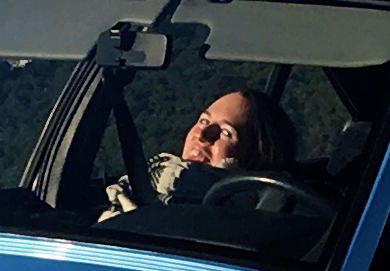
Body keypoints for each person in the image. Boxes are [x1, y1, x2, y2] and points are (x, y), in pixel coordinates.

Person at [104, 88, 295, 218]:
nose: (203, 134)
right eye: (204, 121)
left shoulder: (253, 222)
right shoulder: (141, 186)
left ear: (255, 160)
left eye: (226, 133)